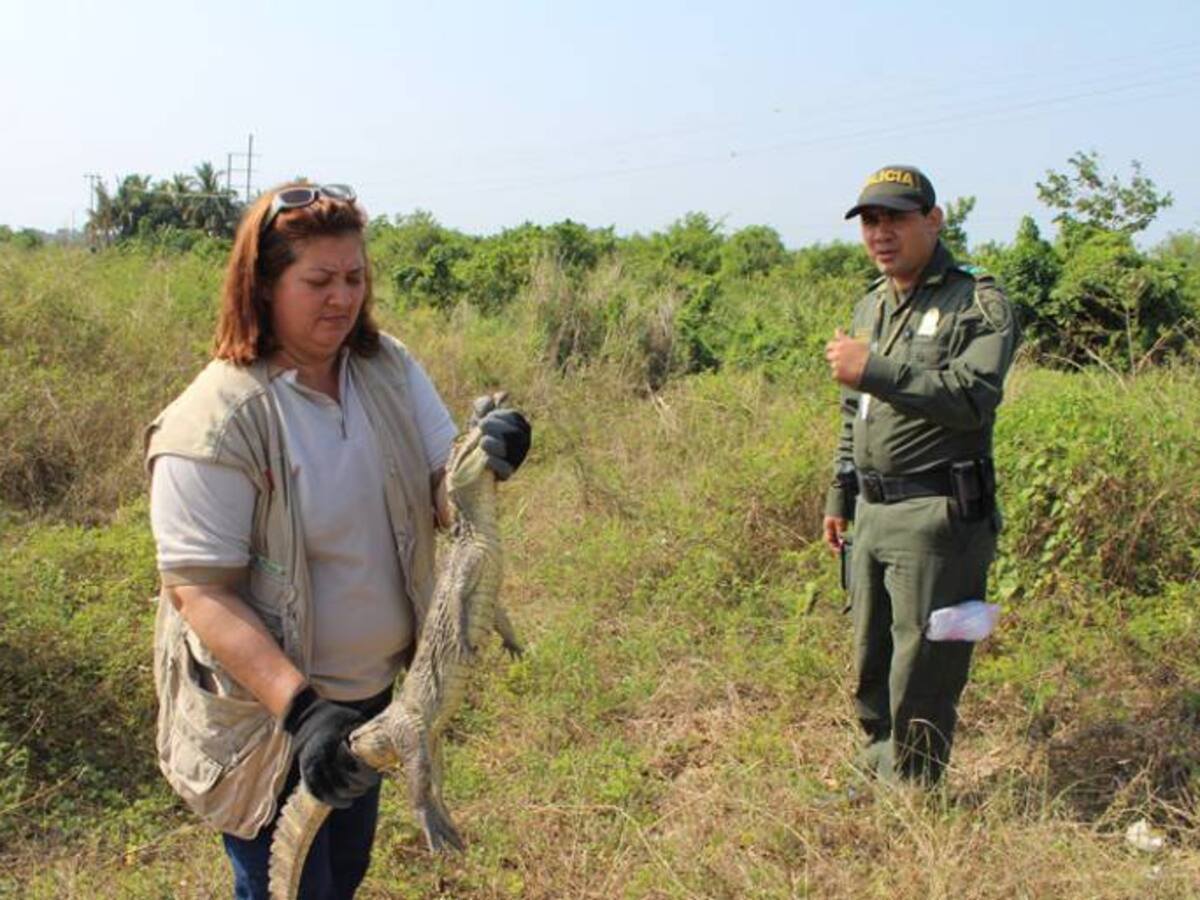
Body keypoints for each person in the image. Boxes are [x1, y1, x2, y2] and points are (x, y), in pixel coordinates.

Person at [144, 182, 531, 899]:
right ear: (262, 286)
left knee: (342, 876)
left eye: (354, 277)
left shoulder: (384, 368)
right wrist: (303, 709)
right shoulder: (214, 420)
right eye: (317, 280)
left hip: (370, 698)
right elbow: (200, 591)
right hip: (265, 719)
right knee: (288, 885)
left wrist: (487, 461)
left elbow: (439, 492)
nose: (342, 297)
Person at [822, 165, 1018, 785]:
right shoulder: (872, 304)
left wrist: (873, 368)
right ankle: (876, 764)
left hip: (938, 516)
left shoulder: (978, 301)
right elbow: (857, 411)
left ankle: (914, 789)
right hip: (875, 514)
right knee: (871, 657)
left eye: (896, 218)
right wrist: (841, 492)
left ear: (933, 221)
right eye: (871, 221)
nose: (881, 233)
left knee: (926, 663)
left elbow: (972, 397)